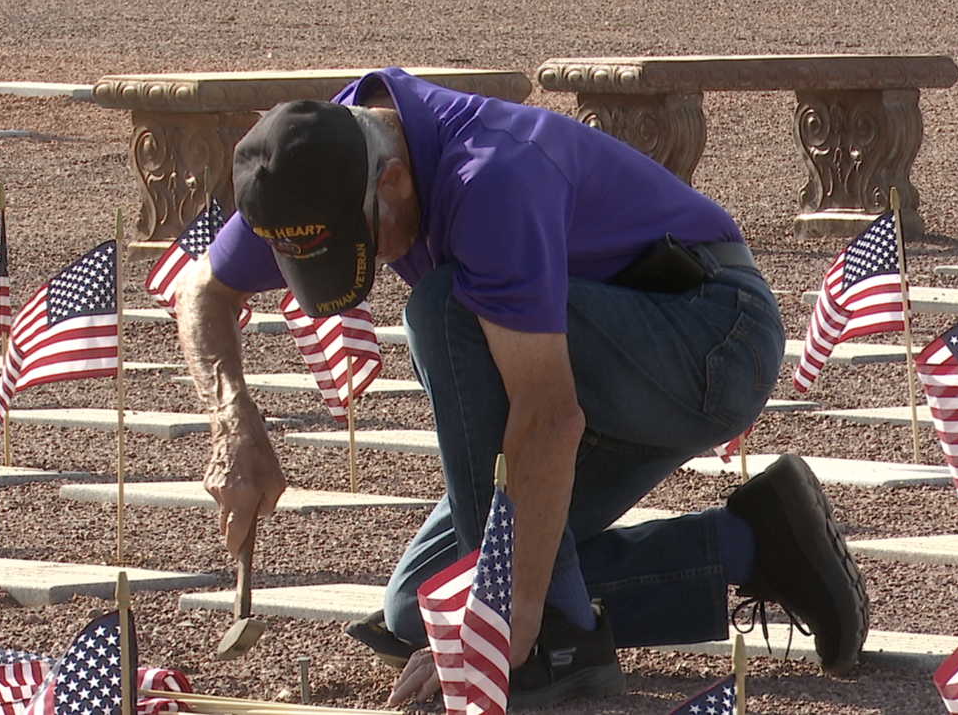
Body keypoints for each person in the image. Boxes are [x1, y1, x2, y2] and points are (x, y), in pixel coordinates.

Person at [174, 66, 869, 709]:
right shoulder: (311, 169)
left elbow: (546, 416)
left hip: (710, 337)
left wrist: (508, 623)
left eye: (361, 242)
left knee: (446, 311)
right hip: (593, 360)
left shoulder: (490, 177)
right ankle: (755, 541)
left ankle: (557, 645)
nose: (369, 261)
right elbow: (200, 291)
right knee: (422, 608)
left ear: (392, 182)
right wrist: (233, 419)